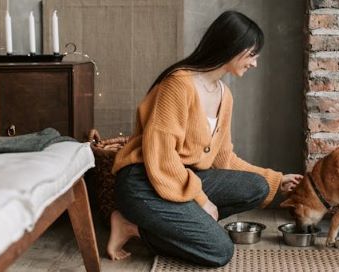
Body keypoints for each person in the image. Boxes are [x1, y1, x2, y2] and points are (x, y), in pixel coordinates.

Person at [107, 10, 303, 267]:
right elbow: (162, 159)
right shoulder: (178, 85)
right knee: (220, 251)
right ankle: (132, 226)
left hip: (182, 179)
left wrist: (276, 179)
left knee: (258, 187)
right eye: (252, 54)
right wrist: (201, 200)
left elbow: (224, 159)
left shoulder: (225, 95)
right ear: (232, 47)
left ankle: (179, 226)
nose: (255, 63)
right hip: (143, 181)